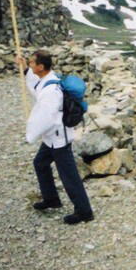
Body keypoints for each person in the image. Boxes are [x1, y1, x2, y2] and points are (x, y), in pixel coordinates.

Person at [16, 51, 94, 225]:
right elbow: (36, 87)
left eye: (31, 63)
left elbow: (46, 117)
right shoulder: (48, 79)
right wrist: (25, 68)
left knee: (68, 175)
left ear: (40, 67)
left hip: (59, 138)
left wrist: (30, 134)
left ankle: (84, 212)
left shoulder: (51, 90)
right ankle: (51, 199)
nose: (30, 64)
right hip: (52, 137)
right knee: (40, 163)